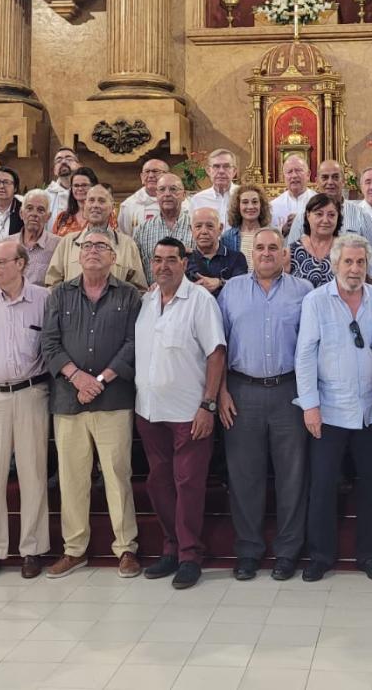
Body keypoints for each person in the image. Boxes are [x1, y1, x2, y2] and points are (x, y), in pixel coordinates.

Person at [41, 231, 142, 580]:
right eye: (87, 246)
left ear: (114, 257)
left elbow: (133, 344)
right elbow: (49, 343)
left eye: (101, 246)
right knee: (71, 477)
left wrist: (99, 381)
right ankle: (74, 549)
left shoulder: (129, 296)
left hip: (113, 399)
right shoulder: (59, 295)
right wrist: (78, 379)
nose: (93, 251)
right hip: (69, 401)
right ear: (77, 255)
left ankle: (126, 547)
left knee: (117, 475)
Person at [217, 228, 313, 581]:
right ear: (251, 253)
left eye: (274, 247)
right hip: (242, 393)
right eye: (260, 248)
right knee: (244, 477)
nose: (267, 253)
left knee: (293, 476)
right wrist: (221, 392)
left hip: (290, 392)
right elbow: (219, 346)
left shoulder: (304, 292)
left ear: (285, 254)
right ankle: (248, 550)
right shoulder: (232, 290)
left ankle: (288, 552)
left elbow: (312, 347)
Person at [295, 235, 372, 582]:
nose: (354, 269)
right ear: (335, 265)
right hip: (329, 409)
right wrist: (310, 406)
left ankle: (370, 556)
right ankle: (320, 556)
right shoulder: (316, 301)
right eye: (348, 262)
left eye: (360, 262)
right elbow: (304, 354)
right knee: (322, 486)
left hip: (371, 409)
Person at [135, 238, 227, 589]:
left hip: (189, 412)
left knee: (188, 484)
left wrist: (208, 404)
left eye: (171, 260)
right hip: (149, 410)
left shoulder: (200, 301)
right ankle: (171, 548)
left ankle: (190, 555)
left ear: (185, 263)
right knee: (159, 483)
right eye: (157, 260)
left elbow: (216, 353)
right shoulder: (146, 302)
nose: (163, 266)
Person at [0, 239, 51, 580]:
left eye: (2, 262)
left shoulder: (44, 299)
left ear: (22, 264)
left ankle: (32, 549)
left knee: (33, 474)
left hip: (31, 394)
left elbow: (51, 346)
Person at [45, 184, 147, 287]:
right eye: (91, 200)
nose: (95, 205)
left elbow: (139, 289)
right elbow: (52, 283)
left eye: (101, 201)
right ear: (85, 206)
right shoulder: (67, 242)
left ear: (112, 207)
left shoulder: (128, 245)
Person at [287, 160, 372, 247]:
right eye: (325, 177)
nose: (330, 182)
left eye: (335, 177)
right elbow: (291, 255)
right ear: (317, 182)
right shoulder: (302, 217)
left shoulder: (361, 214)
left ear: (343, 181)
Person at [133, 173, 192, 281]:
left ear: (184, 195)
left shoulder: (196, 228)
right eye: (162, 189)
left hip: (190, 296)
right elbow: (136, 272)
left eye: (173, 189)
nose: (167, 194)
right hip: (153, 295)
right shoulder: (142, 230)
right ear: (156, 195)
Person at [186, 207, 247, 295]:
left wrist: (220, 283)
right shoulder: (184, 260)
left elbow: (242, 287)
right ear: (191, 229)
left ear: (220, 228)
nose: (204, 231)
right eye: (198, 226)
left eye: (210, 226)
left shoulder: (236, 258)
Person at [288, 193, 341, 287]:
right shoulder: (292, 251)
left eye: (331, 215)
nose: (325, 220)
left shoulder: (345, 249)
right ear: (308, 215)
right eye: (319, 214)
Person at [13, 189, 58, 285]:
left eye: (40, 210)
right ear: (21, 213)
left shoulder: (58, 245)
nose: (34, 214)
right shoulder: (5, 244)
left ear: (48, 217)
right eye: (29, 208)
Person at [118, 158, 168, 235]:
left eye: (155, 171)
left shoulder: (180, 202)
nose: (151, 175)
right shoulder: (129, 205)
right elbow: (124, 238)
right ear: (141, 177)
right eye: (147, 172)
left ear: (167, 175)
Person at [188, 147, 238, 223]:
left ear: (234, 171)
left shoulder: (243, 197)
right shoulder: (198, 200)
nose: (221, 171)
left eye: (226, 166)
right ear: (208, 171)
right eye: (216, 166)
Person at [270, 153, 315, 233]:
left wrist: (302, 222)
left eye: (298, 170)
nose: (294, 175)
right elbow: (268, 235)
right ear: (284, 177)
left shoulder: (319, 202)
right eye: (289, 172)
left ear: (308, 174)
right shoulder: (272, 206)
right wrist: (282, 230)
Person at [224, 182, 272, 254]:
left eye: (255, 202)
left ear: (261, 205)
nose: (250, 207)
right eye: (245, 202)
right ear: (238, 206)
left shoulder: (272, 234)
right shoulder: (228, 237)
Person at [51, 166, 98, 237]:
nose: (80, 189)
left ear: (94, 187)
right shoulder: (62, 217)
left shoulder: (104, 215)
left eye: (84, 185)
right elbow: (54, 244)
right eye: (76, 185)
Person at [46, 146, 81, 217]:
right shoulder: (45, 196)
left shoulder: (87, 193)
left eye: (69, 159)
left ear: (79, 166)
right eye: (58, 160)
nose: (63, 162)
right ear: (54, 170)